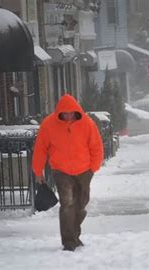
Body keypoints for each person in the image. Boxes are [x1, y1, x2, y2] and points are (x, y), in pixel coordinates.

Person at [32, 94, 104, 251]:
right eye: (65, 113)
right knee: (67, 204)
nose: (68, 115)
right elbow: (40, 149)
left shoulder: (87, 123)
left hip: (84, 170)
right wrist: (38, 171)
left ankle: (74, 235)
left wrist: (93, 167)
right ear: (59, 112)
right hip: (61, 171)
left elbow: (96, 146)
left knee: (81, 205)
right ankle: (69, 242)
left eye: (71, 112)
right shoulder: (48, 125)